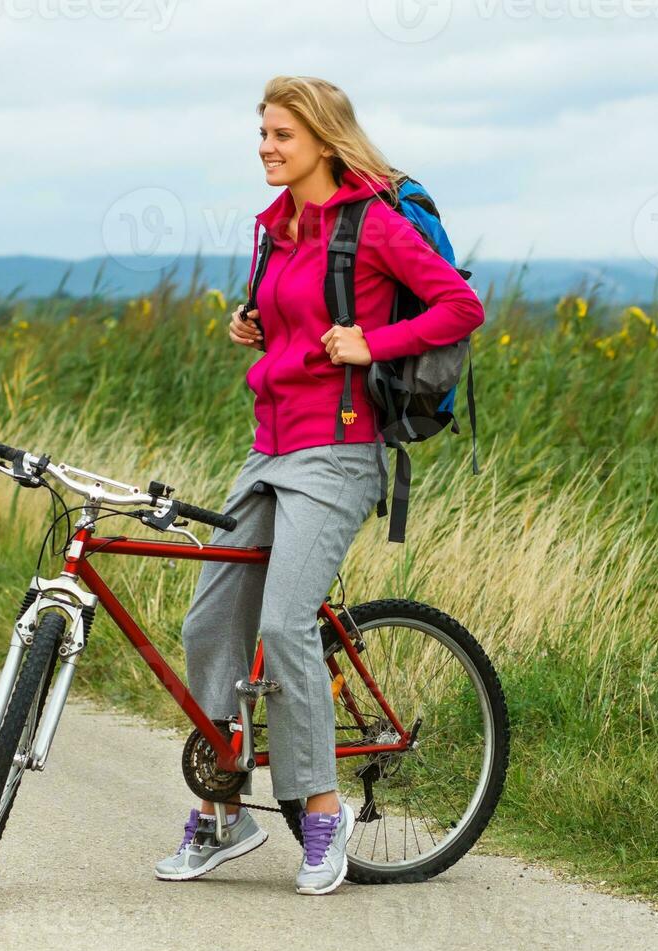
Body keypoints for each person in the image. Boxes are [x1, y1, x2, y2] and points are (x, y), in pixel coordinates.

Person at [154, 75, 485, 895]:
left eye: (282, 136)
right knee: (208, 623)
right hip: (269, 444)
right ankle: (226, 812)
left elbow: (460, 306)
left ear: (325, 142)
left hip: (340, 451)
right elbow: (297, 315)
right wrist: (254, 324)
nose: (266, 147)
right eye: (262, 133)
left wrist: (373, 344)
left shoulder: (370, 222)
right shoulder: (276, 229)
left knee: (285, 620)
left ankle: (325, 817)